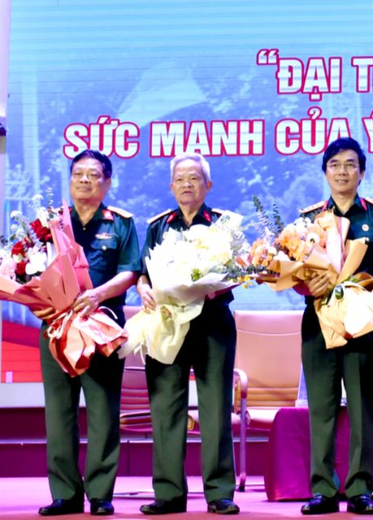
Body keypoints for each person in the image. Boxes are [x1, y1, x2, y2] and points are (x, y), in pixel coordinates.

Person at [36, 150, 141, 517]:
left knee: (103, 411)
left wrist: (98, 294)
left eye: (93, 175)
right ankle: (65, 494)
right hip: (56, 327)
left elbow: (130, 272)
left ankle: (99, 493)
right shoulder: (50, 223)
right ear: (69, 180)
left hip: (102, 328)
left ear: (107, 182)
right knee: (59, 413)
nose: (84, 180)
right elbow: (26, 270)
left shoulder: (121, 223)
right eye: (77, 173)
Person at [136, 153, 241, 515]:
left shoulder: (223, 225)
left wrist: (217, 285)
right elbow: (143, 274)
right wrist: (143, 289)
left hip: (212, 322)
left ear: (207, 185)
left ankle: (220, 492)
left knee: (216, 408)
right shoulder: (158, 226)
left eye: (194, 178)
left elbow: (240, 270)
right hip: (168, 322)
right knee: (166, 406)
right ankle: (168, 492)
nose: (186, 184)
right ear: (171, 186)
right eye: (180, 178)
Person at [295, 138, 373, 515]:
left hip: (364, 324)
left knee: (363, 407)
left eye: (350, 165)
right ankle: (322, 488)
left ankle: (360, 488)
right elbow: (294, 275)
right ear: (325, 172)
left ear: (362, 173)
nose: (342, 172)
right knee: (321, 407)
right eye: (334, 165)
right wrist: (308, 286)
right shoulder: (308, 220)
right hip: (319, 322)